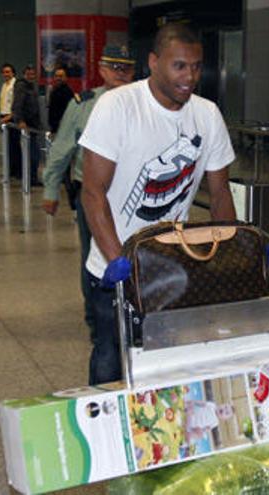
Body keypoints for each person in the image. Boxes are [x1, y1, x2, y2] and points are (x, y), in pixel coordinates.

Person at [78, 24, 237, 385]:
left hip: (169, 263)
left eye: (196, 66)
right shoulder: (117, 106)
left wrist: (227, 252)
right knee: (110, 358)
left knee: (166, 361)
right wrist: (121, 264)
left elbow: (221, 193)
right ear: (153, 62)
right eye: (179, 66)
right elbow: (92, 192)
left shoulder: (207, 115)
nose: (190, 77)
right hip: (113, 266)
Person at [42, 45, 135, 343]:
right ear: (102, 69)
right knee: (95, 256)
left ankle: (136, 312)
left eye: (126, 68)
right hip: (93, 193)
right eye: (114, 67)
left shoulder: (143, 103)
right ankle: (96, 319)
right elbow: (63, 147)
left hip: (134, 192)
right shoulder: (83, 104)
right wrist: (50, 188)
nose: (121, 74)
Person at [12, 65, 42, 185]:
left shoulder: (32, 86)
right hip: (27, 125)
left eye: (32, 74)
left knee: (34, 154)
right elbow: (17, 105)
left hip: (34, 125)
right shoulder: (21, 86)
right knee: (32, 154)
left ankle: (32, 177)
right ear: (24, 74)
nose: (31, 76)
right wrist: (20, 121)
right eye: (28, 74)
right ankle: (31, 178)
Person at [0, 63, 22, 178]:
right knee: (8, 146)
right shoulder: (4, 85)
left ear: (13, 73)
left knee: (15, 146)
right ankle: (12, 169)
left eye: (8, 72)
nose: (6, 74)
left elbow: (16, 103)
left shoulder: (15, 85)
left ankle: (18, 171)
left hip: (11, 117)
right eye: (4, 72)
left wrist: (10, 116)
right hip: (4, 116)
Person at [47, 67, 75, 134]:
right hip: (55, 128)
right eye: (56, 76)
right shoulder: (54, 91)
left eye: (61, 76)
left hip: (65, 129)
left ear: (66, 78)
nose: (58, 78)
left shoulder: (68, 93)